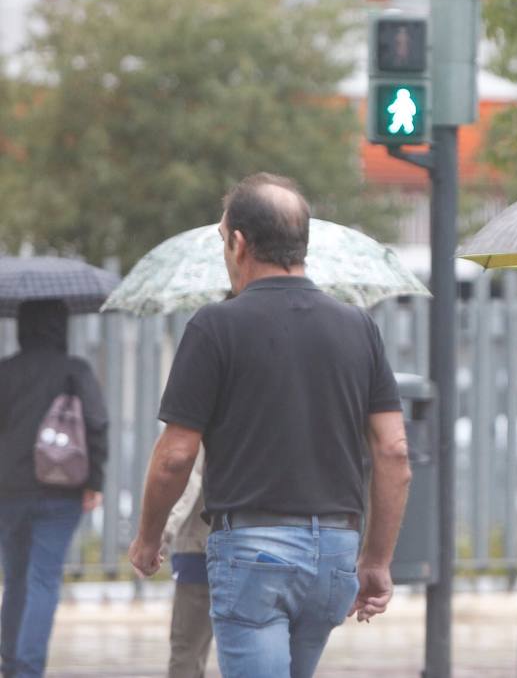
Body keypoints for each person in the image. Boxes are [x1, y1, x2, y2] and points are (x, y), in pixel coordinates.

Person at [125, 173, 412, 678]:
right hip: (336, 556)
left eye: (222, 238)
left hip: (253, 552)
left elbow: (175, 454)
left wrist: (149, 537)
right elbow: (394, 453)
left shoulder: (215, 327)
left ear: (238, 243)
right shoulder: (358, 327)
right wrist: (376, 560)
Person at [0, 299, 108, 678]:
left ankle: (10, 663)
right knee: (43, 579)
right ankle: (28, 669)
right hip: (62, 491)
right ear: (61, 327)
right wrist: (95, 482)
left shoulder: (6, 371)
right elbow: (96, 422)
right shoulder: (74, 370)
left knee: (14, 578)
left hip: (9, 492)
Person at [162, 452, 213, 678]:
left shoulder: (207, 417)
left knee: (187, 648)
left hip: (199, 544)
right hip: (257, 543)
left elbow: (185, 471)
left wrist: (161, 535)